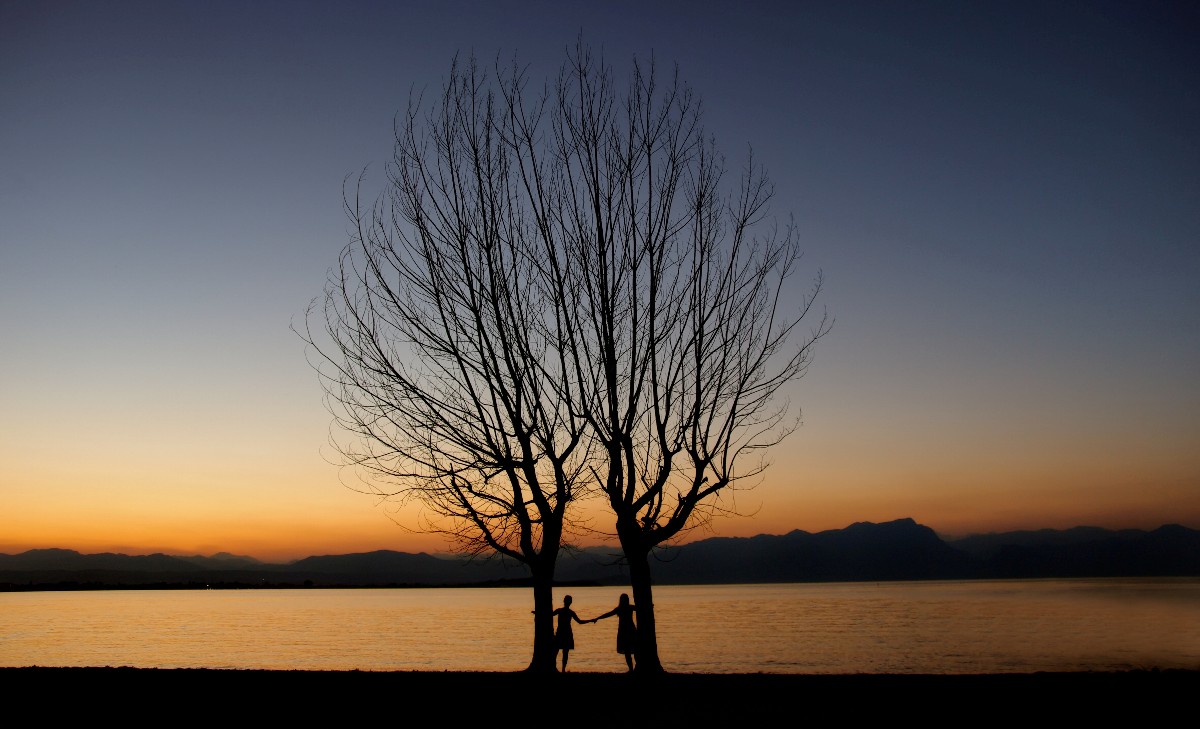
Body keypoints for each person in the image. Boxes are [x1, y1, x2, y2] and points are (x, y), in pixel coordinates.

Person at [589, 593, 637, 671]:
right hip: (626, 630)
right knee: (629, 650)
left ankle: (632, 669)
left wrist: (597, 618)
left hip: (628, 630)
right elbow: (608, 614)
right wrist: (598, 618)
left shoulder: (626, 608)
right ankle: (631, 669)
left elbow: (641, 608)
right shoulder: (623, 608)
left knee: (632, 650)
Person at [551, 594, 587, 672]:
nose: (567, 602)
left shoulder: (566, 612)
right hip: (562, 633)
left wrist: (590, 620)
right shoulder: (562, 611)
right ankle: (559, 668)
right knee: (558, 651)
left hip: (565, 633)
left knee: (561, 652)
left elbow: (579, 621)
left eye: (567, 601)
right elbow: (580, 622)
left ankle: (562, 669)